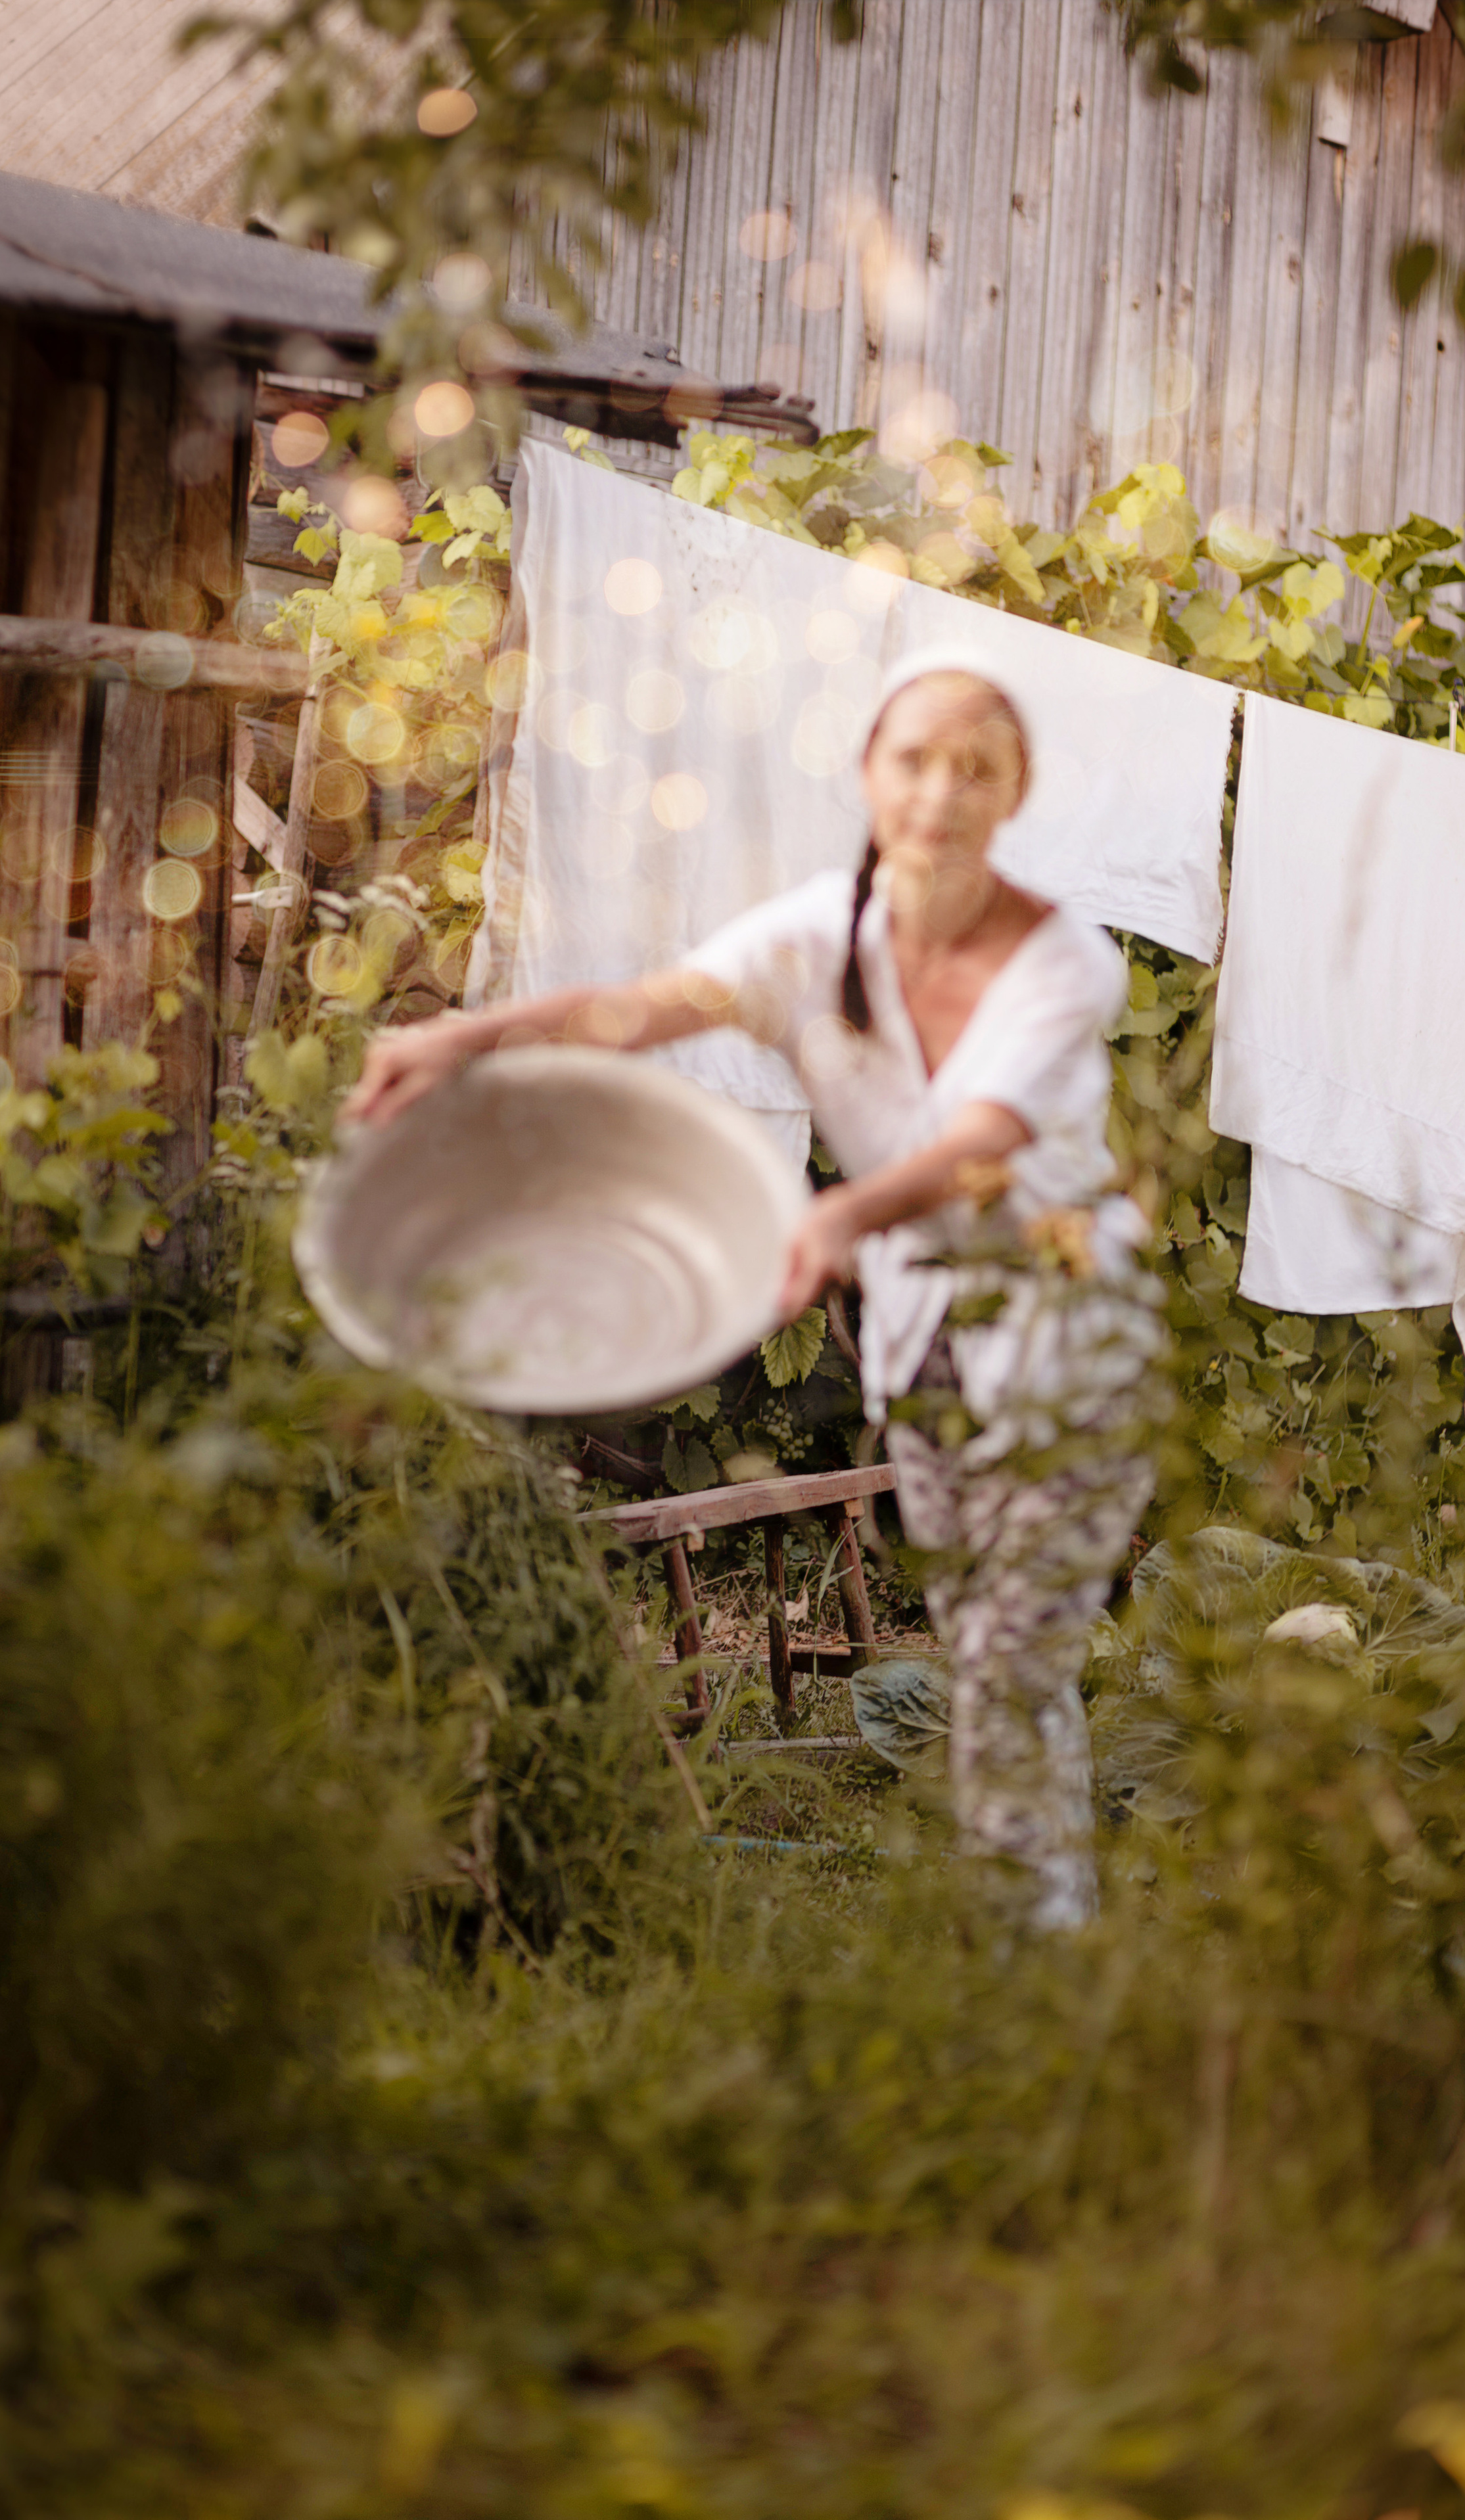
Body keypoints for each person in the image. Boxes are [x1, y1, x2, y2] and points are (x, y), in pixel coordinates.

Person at [347, 646, 1168, 1929]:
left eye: (975, 767)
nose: (940, 793)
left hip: (1065, 1336)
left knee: (1014, 1650)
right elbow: (637, 1011)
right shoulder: (810, 940)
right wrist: (465, 1034)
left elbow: (982, 1138)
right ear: (866, 775)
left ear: (1014, 793)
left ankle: (1036, 1948)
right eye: (914, 761)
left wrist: (839, 1209)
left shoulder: (1062, 961)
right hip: (929, 1345)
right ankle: (1027, 1913)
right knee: (978, 1637)